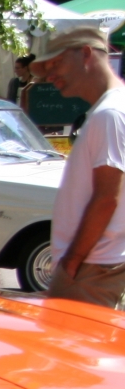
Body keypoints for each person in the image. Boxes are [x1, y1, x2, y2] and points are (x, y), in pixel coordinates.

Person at [33, 25, 125, 309]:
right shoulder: (110, 109)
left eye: (56, 62)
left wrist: (71, 264)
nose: (50, 75)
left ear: (86, 53)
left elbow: (106, 199)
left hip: (90, 268)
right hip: (96, 265)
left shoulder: (109, 113)